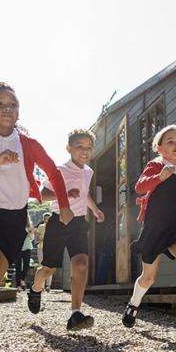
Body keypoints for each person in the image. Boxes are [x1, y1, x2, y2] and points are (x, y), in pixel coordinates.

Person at [0, 80, 73, 352]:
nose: (8, 108)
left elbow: (54, 173)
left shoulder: (28, 145)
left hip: (14, 220)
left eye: (13, 104)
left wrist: (65, 205)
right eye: (0, 104)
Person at [122, 124, 176, 332]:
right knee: (149, 276)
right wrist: (159, 177)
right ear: (159, 148)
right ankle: (133, 304)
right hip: (155, 226)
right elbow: (139, 187)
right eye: (170, 142)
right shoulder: (155, 165)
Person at [27, 129, 105, 331]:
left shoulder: (88, 171)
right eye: (80, 147)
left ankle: (75, 314)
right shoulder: (59, 170)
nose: (85, 152)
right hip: (58, 222)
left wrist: (95, 209)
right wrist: (64, 195)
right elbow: (42, 195)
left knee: (81, 264)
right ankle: (35, 289)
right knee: (48, 269)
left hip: (78, 223)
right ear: (69, 148)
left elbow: (85, 193)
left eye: (89, 148)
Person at [34, 212, 53, 291]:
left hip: (51, 249)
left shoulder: (54, 227)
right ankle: (41, 285)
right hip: (41, 248)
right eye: (45, 219)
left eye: (48, 219)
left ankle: (48, 285)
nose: (47, 220)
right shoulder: (41, 227)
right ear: (43, 219)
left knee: (50, 266)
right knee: (41, 266)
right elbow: (37, 239)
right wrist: (43, 239)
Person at [16, 217, 34, 291]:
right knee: (18, 266)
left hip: (27, 247)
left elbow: (32, 238)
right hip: (18, 247)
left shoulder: (30, 226)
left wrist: (29, 232)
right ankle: (18, 285)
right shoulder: (16, 225)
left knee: (27, 265)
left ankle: (22, 279)